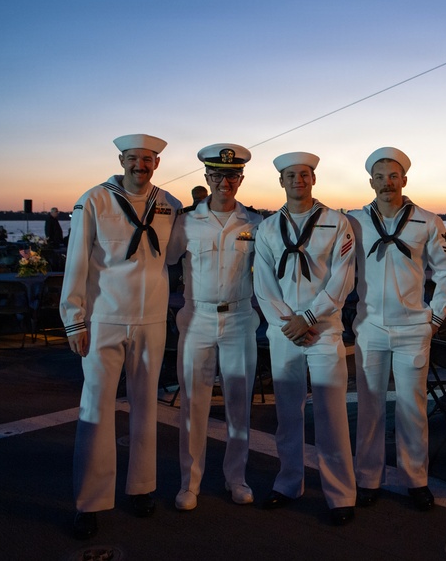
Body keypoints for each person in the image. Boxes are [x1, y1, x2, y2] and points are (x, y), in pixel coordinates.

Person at [60, 134, 184, 540]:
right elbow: (76, 260)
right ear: (121, 160)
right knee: (95, 409)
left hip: (151, 319)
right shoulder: (95, 200)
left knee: (146, 406)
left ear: (157, 163)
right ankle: (90, 501)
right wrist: (74, 319)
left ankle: (141, 487)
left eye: (147, 159)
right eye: (133, 158)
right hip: (104, 318)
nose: (140, 166)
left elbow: (174, 255)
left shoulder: (169, 204)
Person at [347, 147, 446, 512]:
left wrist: (435, 319)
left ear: (404, 180)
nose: (387, 183)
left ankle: (415, 479)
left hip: (413, 328)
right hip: (370, 326)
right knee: (370, 407)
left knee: (412, 407)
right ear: (371, 182)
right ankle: (368, 477)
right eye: (380, 177)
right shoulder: (354, 221)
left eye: (393, 176)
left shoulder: (427, 221)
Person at [253, 152, 357, 526]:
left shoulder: (337, 222)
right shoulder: (267, 228)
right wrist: (289, 323)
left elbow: (343, 278)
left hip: (324, 329)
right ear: (281, 181)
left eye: (304, 174)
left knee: (331, 414)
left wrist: (309, 318)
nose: (298, 180)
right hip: (285, 332)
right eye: (290, 175)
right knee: (287, 414)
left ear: (314, 179)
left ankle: (341, 494)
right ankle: (288, 483)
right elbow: (263, 283)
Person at [175, 143, 262, 512]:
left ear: (241, 179)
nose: (224, 183)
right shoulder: (184, 222)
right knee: (193, 404)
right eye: (217, 176)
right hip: (197, 318)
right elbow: (159, 260)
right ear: (207, 178)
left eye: (232, 176)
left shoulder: (255, 223)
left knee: (239, 405)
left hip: (240, 318)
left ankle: (236, 477)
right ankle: (189, 482)